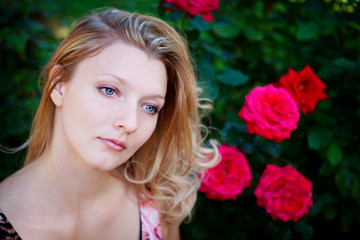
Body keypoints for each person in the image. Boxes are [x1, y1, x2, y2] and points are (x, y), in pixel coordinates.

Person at [0, 7, 219, 240]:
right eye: (109, 90)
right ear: (59, 86)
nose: (130, 123)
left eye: (150, 107)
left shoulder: (155, 205)